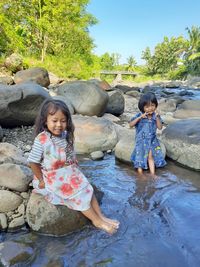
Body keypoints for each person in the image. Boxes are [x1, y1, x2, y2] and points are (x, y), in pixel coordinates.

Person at [28, 99, 119, 234]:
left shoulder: (65, 135)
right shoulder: (41, 139)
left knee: (87, 188)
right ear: (45, 121)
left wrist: (75, 169)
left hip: (67, 172)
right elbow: (32, 162)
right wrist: (41, 180)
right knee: (78, 194)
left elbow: (69, 155)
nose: (59, 125)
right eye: (54, 121)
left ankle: (101, 216)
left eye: (63, 121)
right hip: (51, 176)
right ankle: (96, 220)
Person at [129, 92, 166, 176]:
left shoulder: (156, 116)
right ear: (142, 107)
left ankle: (152, 174)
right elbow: (130, 125)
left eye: (152, 105)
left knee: (151, 156)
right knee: (140, 156)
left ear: (156, 105)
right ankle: (140, 174)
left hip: (152, 140)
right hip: (141, 140)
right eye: (147, 106)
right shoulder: (139, 115)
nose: (150, 108)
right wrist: (139, 118)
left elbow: (160, 127)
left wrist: (157, 118)